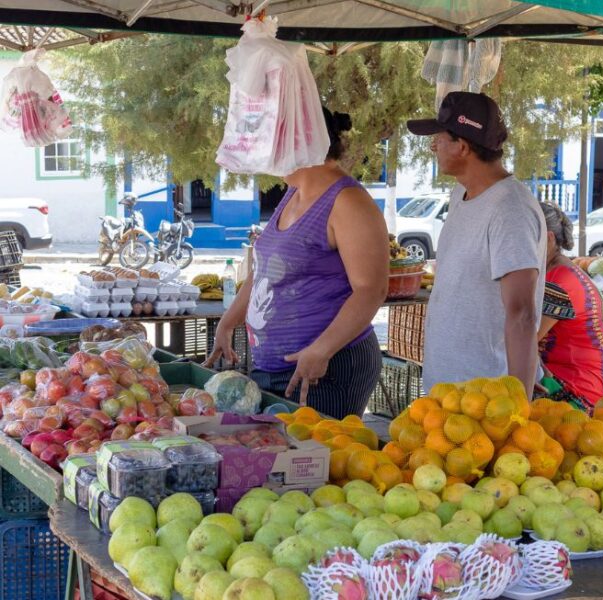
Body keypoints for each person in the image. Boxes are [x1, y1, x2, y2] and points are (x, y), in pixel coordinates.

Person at [206, 108, 389, 417]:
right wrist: (229, 320)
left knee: (318, 461)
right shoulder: (294, 192)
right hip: (274, 368)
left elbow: (371, 290)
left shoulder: (348, 202)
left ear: (301, 141)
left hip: (326, 369)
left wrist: (323, 348)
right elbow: (265, 270)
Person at [406, 92, 545, 396]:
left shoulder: (510, 210)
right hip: (446, 390)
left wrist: (518, 400)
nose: (433, 148)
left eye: (438, 140)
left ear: (462, 146)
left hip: (485, 400)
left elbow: (522, 313)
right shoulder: (461, 194)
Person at [537, 203, 603, 413]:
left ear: (549, 239)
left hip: (576, 394)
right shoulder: (560, 271)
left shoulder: (560, 283)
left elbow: (525, 340)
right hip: (575, 380)